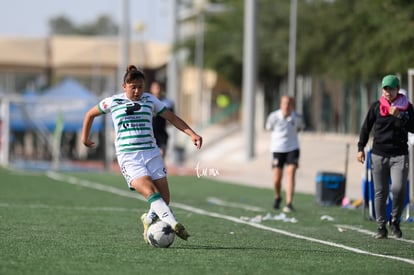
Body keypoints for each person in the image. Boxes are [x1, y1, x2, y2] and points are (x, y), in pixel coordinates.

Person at [81, 65, 203, 243]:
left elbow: (171, 117)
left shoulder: (150, 100)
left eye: (140, 87)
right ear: (125, 86)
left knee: (165, 199)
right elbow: (89, 115)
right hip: (129, 157)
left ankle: (147, 220)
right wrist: (85, 138)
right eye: (133, 87)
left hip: (152, 154)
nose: (137, 91)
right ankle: (174, 223)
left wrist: (192, 134)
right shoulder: (113, 102)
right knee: (151, 192)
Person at [357, 74, 414, 239]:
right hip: (378, 154)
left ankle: (395, 220)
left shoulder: (407, 107)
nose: (388, 92)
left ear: (398, 89)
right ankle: (381, 226)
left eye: (391, 88)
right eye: (385, 88)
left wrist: (400, 116)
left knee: (398, 188)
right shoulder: (376, 106)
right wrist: (360, 148)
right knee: (380, 191)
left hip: (399, 155)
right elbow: (365, 128)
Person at [265, 95, 303, 213]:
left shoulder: (297, 117)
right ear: (281, 104)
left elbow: (299, 129)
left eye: (289, 103)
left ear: (292, 105)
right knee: (277, 177)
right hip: (277, 149)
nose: (286, 106)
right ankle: (278, 196)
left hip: (292, 148)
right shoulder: (274, 116)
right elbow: (269, 128)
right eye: (284, 103)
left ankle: (289, 203)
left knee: (291, 173)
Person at [150, 81, 174, 160]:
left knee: (161, 155)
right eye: (156, 88)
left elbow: (171, 118)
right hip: (149, 134)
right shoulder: (147, 102)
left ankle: (160, 170)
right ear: (151, 89)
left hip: (161, 133)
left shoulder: (168, 103)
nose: (158, 90)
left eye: (159, 87)